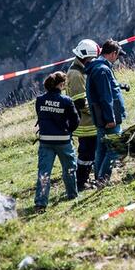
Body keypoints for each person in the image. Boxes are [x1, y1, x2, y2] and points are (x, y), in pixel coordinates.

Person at [34, 71, 80, 210]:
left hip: (45, 141)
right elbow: (75, 120)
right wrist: (68, 131)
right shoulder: (66, 101)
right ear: (60, 84)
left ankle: (41, 203)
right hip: (63, 141)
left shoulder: (40, 100)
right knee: (69, 168)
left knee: (44, 172)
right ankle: (72, 195)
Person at [85, 39, 126, 184]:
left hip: (100, 117)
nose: (117, 59)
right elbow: (105, 96)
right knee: (115, 148)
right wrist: (110, 118)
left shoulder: (97, 68)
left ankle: (98, 178)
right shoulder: (102, 69)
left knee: (101, 149)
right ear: (113, 53)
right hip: (108, 118)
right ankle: (103, 179)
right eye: (118, 55)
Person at [67, 39, 102, 191]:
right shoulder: (75, 74)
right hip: (85, 123)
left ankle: (87, 179)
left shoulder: (80, 69)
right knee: (85, 154)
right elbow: (80, 102)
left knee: (92, 152)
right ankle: (81, 182)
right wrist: (98, 111)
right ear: (86, 57)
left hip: (90, 122)